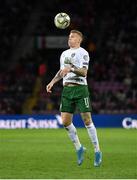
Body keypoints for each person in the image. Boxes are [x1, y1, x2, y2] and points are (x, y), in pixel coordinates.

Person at [46, 30, 102, 167]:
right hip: (67, 89)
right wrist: (52, 82)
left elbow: (84, 72)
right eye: (69, 37)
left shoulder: (83, 53)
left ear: (78, 40)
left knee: (87, 120)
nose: (69, 39)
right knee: (65, 122)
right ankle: (79, 148)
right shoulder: (64, 54)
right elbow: (61, 71)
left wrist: (70, 69)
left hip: (80, 88)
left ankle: (97, 151)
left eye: (72, 37)